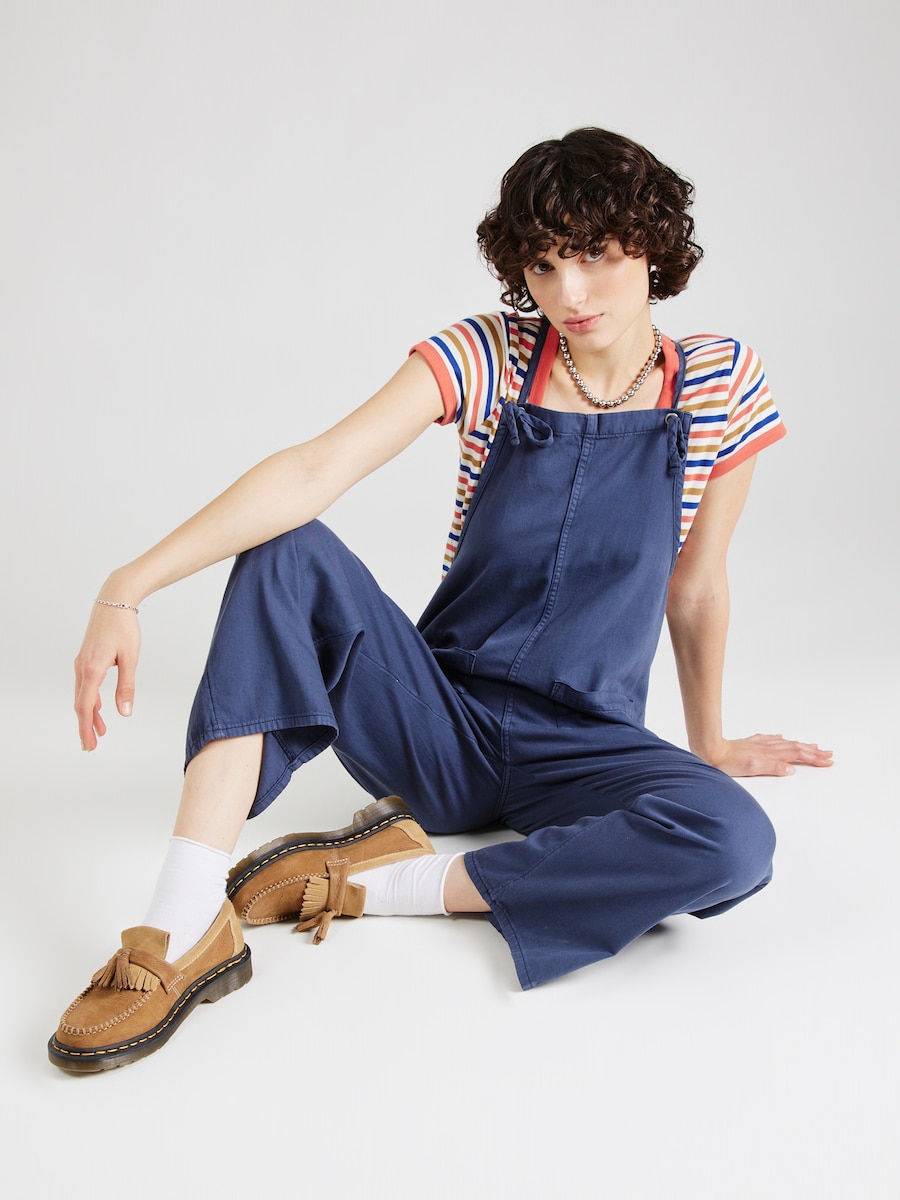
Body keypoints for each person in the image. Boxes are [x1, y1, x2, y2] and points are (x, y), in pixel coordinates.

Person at [49, 127, 832, 1073]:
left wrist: (709, 743)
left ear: (652, 244)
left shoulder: (718, 382)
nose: (569, 293)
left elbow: (695, 584)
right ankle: (181, 925)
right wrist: (126, 586)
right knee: (286, 549)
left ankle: (377, 881)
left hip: (584, 742)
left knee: (735, 840)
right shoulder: (488, 355)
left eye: (595, 254)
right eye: (543, 264)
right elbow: (313, 469)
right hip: (435, 719)